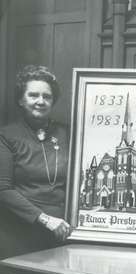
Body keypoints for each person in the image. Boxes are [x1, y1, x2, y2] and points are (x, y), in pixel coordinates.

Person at [0, 65, 71, 259]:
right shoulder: (6, 135)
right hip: (19, 233)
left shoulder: (67, 134)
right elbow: (3, 189)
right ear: (21, 100)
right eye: (33, 95)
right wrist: (45, 220)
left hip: (63, 233)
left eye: (47, 96)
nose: (41, 101)